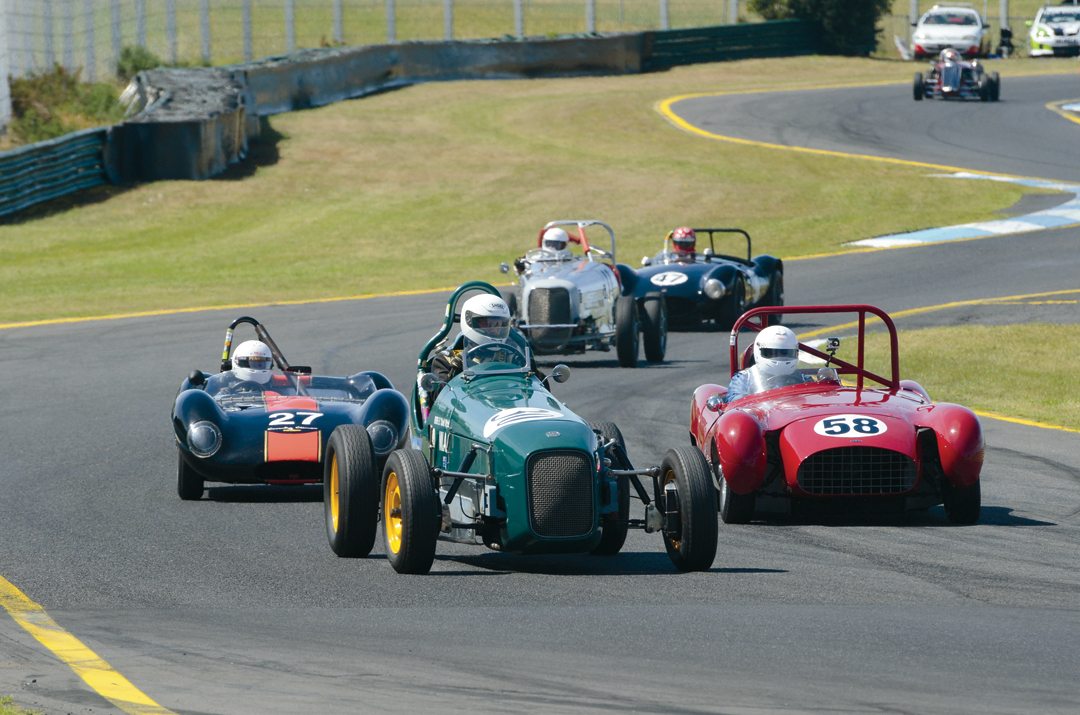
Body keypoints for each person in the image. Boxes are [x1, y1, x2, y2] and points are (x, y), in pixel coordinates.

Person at [429, 294, 515, 383]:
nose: (495, 330)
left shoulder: (512, 356)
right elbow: (441, 391)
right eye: (488, 324)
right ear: (469, 321)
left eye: (500, 324)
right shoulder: (447, 361)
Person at [725, 325, 806, 403]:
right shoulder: (744, 379)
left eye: (786, 353)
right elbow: (736, 404)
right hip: (761, 411)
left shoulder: (803, 379)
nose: (779, 358)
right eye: (771, 353)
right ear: (758, 351)